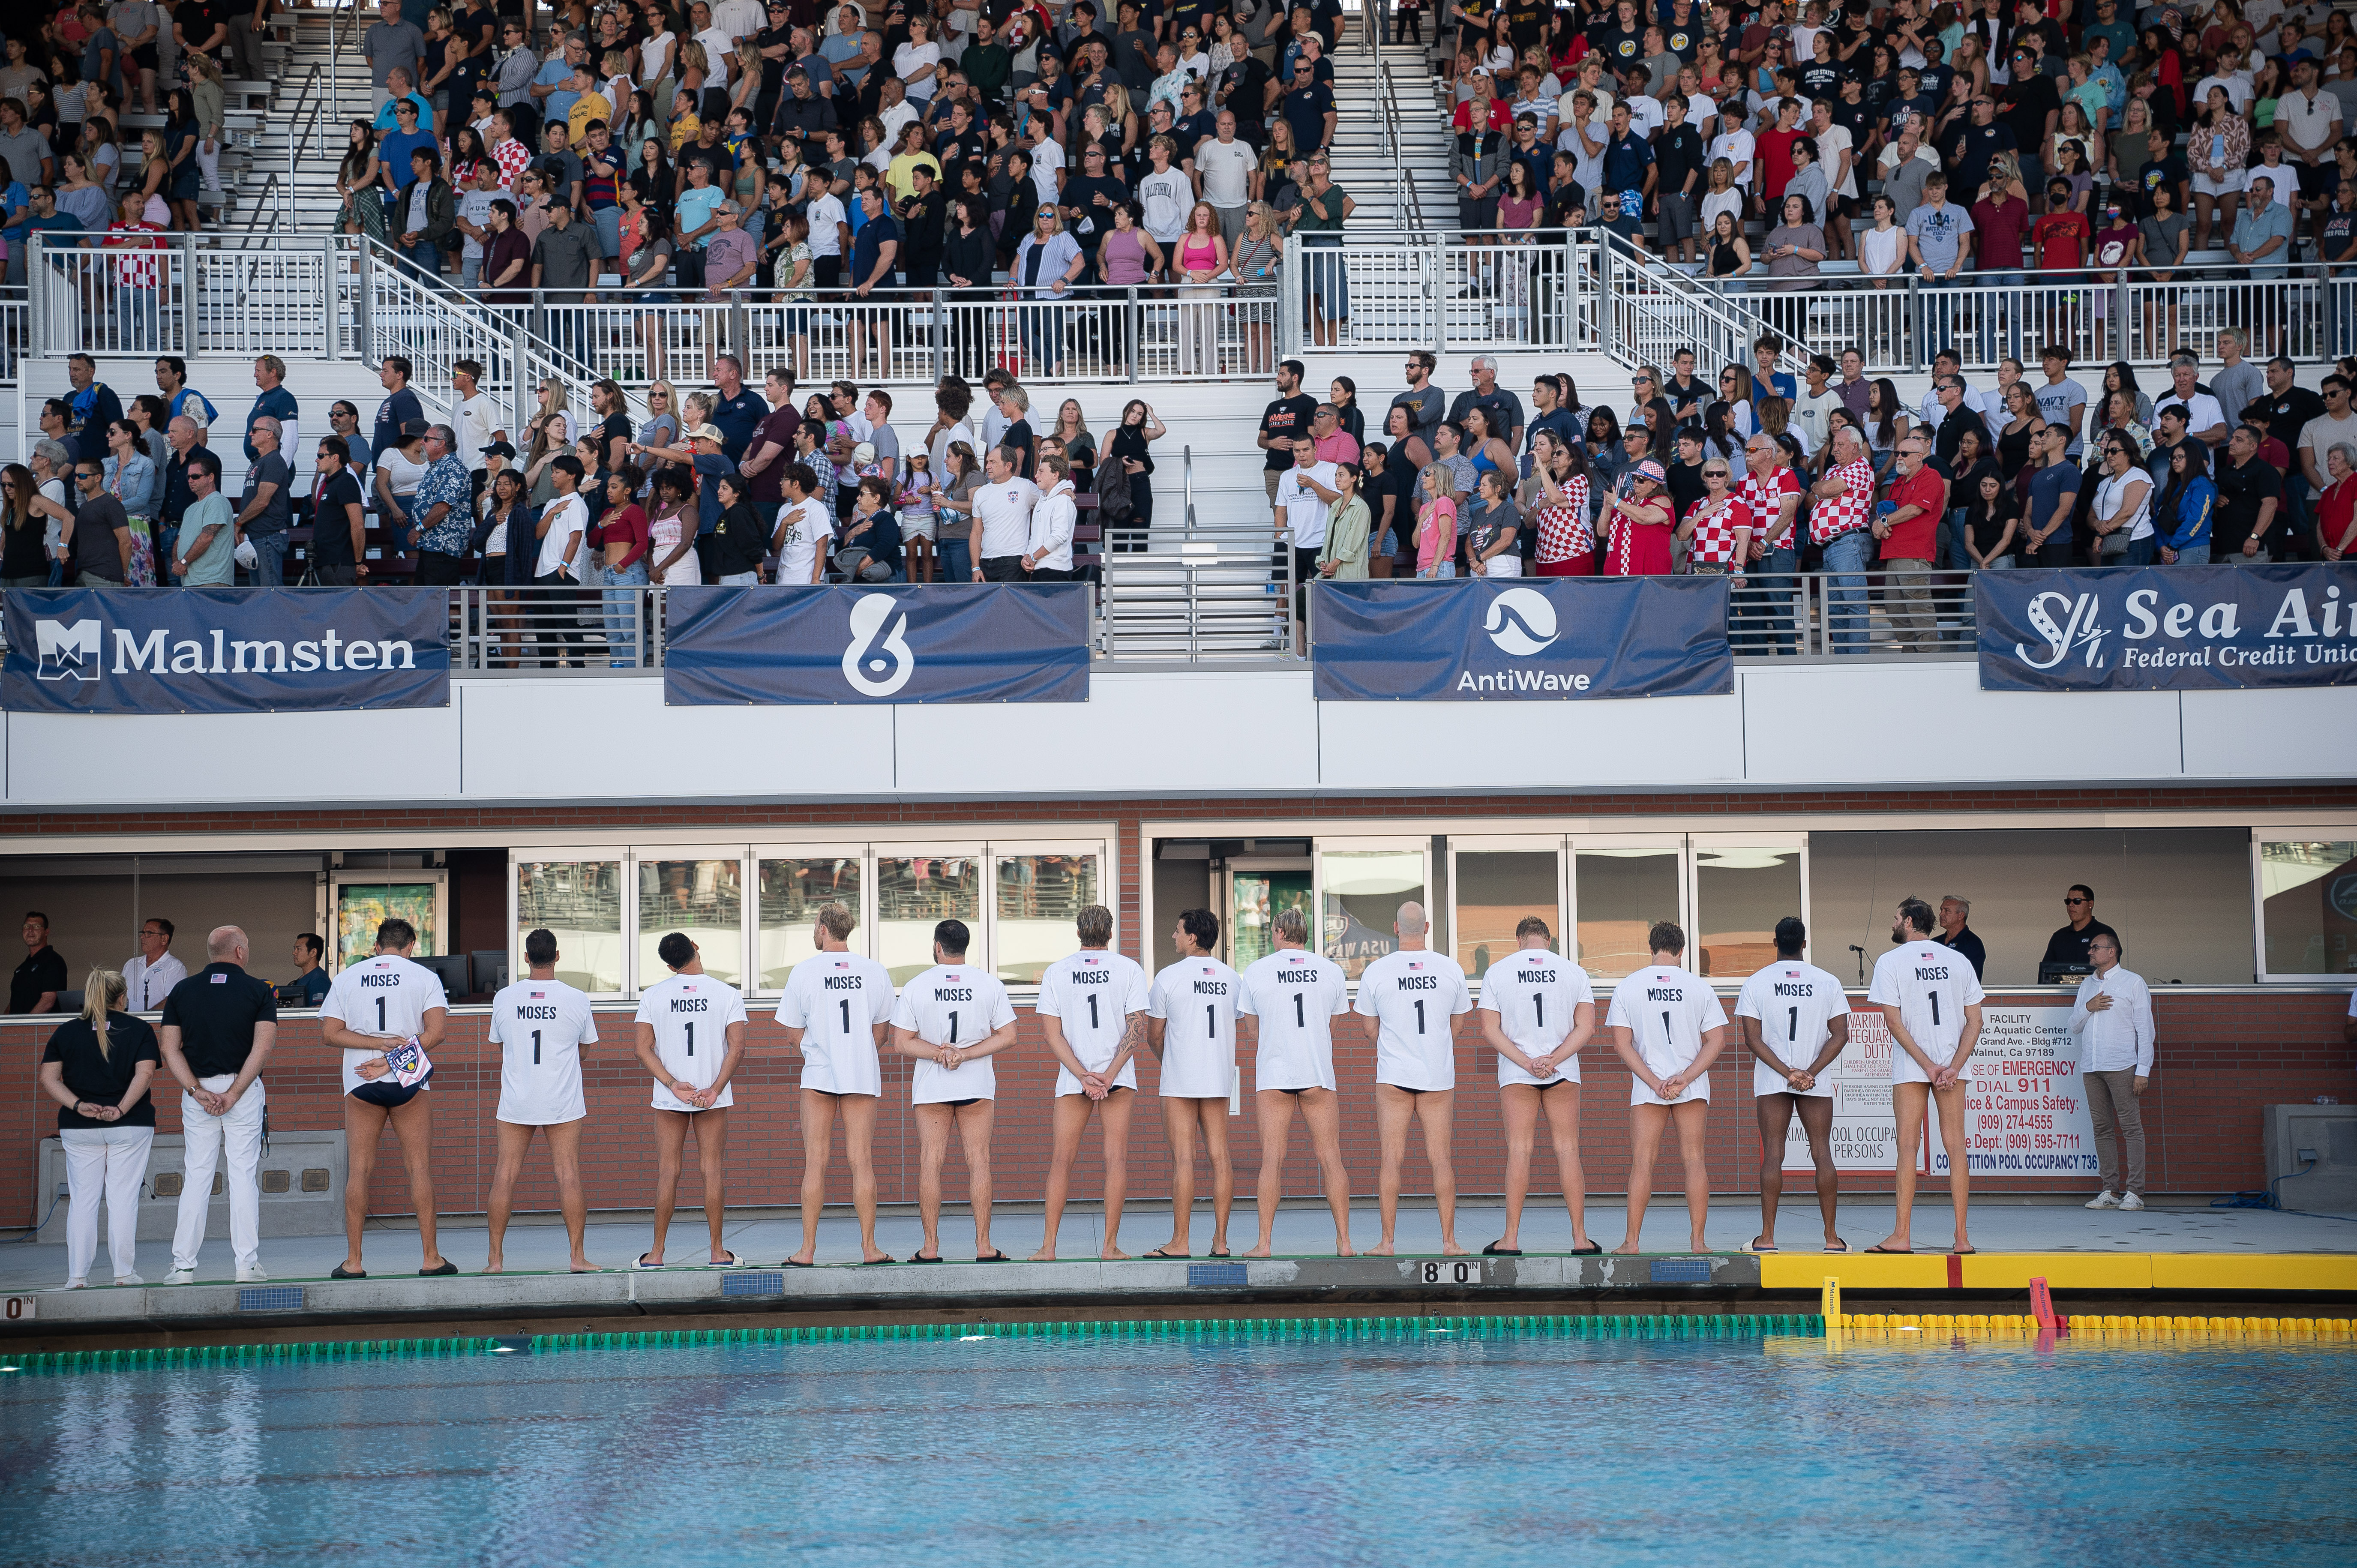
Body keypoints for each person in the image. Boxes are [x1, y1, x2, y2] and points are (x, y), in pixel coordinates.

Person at [317, 917, 453, 1278]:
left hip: (361, 1081)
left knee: (359, 1169)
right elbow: (437, 1033)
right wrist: (392, 1057)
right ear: (411, 947)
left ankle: (354, 1261)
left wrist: (376, 1046)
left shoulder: (347, 976)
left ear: (377, 946)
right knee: (419, 1168)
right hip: (408, 1081)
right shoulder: (424, 976)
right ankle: (431, 1258)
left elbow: (330, 1035)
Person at [775, 901, 897, 1266]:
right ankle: (870, 1248)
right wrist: (855, 1053)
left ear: (824, 928)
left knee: (816, 1162)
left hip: (819, 1076)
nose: (815, 933)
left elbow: (792, 1032)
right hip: (861, 1074)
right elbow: (883, 1032)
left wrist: (817, 1053)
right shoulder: (874, 971)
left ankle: (807, 1250)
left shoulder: (804, 971)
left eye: (815, 926)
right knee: (861, 1161)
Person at [154, 925, 277, 1286]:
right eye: (249, 945)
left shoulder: (182, 990)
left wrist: (195, 1090)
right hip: (242, 1088)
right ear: (239, 951)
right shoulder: (259, 990)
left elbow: (169, 1048)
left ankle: (183, 1266)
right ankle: (246, 1265)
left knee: (197, 1177)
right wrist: (236, 1092)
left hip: (199, 1092)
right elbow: (263, 1047)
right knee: (242, 1177)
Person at [892, 918, 1020, 1263]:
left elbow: (901, 1042)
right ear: (965, 947)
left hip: (932, 1086)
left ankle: (930, 1248)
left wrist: (940, 1054)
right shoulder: (988, 984)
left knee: (931, 1162)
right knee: (979, 1160)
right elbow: (1009, 1035)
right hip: (975, 1084)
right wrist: (965, 1054)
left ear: (937, 947)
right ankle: (983, 1245)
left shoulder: (917, 986)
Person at [1866, 897, 1988, 1256]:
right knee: (1957, 1147)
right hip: (1953, 1066)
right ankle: (1962, 1239)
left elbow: (1893, 1022)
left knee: (1907, 1147)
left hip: (1912, 1067)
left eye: (1895, 918)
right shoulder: (1959, 959)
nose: (1892, 924)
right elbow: (1975, 1021)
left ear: (1908, 921)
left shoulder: (1890, 961)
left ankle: (1901, 1236)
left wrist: (1928, 1066)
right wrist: (1951, 1066)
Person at [1352, 901, 1473, 1258]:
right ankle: (1449, 1242)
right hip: (1436, 1075)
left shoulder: (1377, 971)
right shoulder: (1450, 969)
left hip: (1394, 1076)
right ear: (1427, 927)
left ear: (1395, 927)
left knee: (1392, 1158)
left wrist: (1399, 1045)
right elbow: (1459, 1026)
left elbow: (1369, 1029)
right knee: (1441, 1158)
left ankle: (1387, 1243)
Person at [1031, 904, 1152, 1260]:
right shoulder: (1129, 969)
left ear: (1079, 932)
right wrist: (1110, 1074)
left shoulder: (1058, 971)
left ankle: (1049, 1247)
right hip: (1118, 1076)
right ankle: (1110, 1247)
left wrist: (1082, 1074)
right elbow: (1137, 1028)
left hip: (1074, 1077)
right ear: (1110, 933)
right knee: (1116, 1159)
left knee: (1061, 1161)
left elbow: (1052, 1034)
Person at [1236, 904, 1355, 1257]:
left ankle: (1265, 1243)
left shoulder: (1256, 971)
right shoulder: (1332, 972)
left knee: (1272, 1158)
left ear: (1278, 932)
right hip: (1317, 1072)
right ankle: (1345, 1242)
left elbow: (1254, 1032)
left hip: (1275, 1075)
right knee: (1331, 1156)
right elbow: (1330, 1029)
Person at [1477, 915, 1599, 1256]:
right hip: (1562, 1071)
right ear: (1549, 940)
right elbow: (1586, 1026)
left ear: (1520, 940)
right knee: (1568, 1150)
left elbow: (1490, 1029)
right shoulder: (1574, 971)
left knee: (1519, 1151)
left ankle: (1511, 1239)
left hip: (1518, 1074)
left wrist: (1528, 1062)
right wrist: (1554, 1058)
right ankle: (1580, 1239)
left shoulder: (1498, 972)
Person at [1606, 922, 1728, 1254]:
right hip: (1691, 1085)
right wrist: (1685, 1078)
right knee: (1695, 1159)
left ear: (1651, 947)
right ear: (1682, 951)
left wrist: (1655, 1082)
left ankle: (1632, 1242)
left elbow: (1621, 1043)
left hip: (1650, 1088)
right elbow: (1716, 1041)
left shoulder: (1629, 986)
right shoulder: (1699, 987)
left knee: (1643, 1161)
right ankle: (1699, 1242)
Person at [484, 927, 600, 1274]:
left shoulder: (504, 997)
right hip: (561, 1099)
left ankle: (495, 1261)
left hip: (517, 1100)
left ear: (526, 958)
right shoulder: (577, 998)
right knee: (569, 1175)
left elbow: (502, 1046)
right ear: (557, 957)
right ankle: (577, 1258)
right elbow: (585, 1049)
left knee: (504, 1175)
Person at [632, 931, 751, 1268]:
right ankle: (717, 1252)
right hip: (710, 1097)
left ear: (670, 965)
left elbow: (642, 1048)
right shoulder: (727, 994)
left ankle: (656, 1253)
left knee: (668, 1171)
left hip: (672, 1097)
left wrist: (671, 1084)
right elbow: (739, 1047)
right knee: (711, 1170)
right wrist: (714, 1089)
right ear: (696, 948)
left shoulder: (652, 996)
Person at [1734, 917, 1850, 1254]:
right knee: (1822, 1152)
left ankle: (1767, 1239)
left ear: (1775, 943)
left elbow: (1752, 1039)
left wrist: (1787, 1073)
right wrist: (1808, 1072)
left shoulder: (1756, 982)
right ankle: (1832, 1238)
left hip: (1773, 1078)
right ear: (1804, 944)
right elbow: (1841, 1034)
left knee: (1773, 1153)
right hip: (1815, 1078)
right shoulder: (1828, 981)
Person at [42, 968, 159, 1289]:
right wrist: (120, 1108)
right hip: (130, 1125)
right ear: (123, 997)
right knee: (123, 1199)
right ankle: (123, 1273)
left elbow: (49, 1078)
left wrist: (79, 1105)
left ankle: (77, 1276)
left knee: (83, 1201)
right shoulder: (140, 1029)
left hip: (79, 1127)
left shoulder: (66, 1032)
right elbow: (145, 1075)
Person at [1145, 908, 1245, 1260]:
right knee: (1220, 1155)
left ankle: (1180, 1242)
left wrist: (1170, 1059)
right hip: (1218, 1075)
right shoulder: (1233, 978)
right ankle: (1220, 1241)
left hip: (1181, 1077)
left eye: (1177, 931)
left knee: (1184, 1158)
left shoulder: (1168, 977)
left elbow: (1153, 1035)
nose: (1173, 936)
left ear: (1192, 937)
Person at [2072, 929, 2154, 1214]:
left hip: (2122, 1065)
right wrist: (2088, 1007)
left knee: (2131, 1128)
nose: (2090, 952)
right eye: (2091, 948)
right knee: (2102, 1128)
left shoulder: (2133, 982)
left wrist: (2142, 1070)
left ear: (2112, 951)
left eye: (2095, 947)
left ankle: (2136, 1192)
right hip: (2091, 1066)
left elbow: (2145, 1030)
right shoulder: (2087, 985)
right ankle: (2110, 1189)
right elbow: (2074, 1024)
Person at [2042, 883, 2121, 973]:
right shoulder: (2059, 936)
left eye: (2077, 901)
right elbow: (2046, 970)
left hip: (2097, 985)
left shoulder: (2105, 933)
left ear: (2090, 904)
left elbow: (2113, 969)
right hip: (2063, 987)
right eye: (2068, 902)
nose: (2071, 905)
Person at [121, 915, 185, 1012]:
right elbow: (118, 996)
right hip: (130, 1024)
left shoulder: (175, 967)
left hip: (157, 1024)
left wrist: (147, 1016)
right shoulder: (131, 964)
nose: (142, 937)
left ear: (164, 939)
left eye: (149, 933)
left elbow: (173, 1000)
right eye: (143, 933)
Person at [1936, 896, 1987, 979]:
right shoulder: (1935, 942)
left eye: (1947, 911)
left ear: (1961, 916)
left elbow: (1971, 979)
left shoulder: (1973, 943)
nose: (1941, 914)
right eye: (1942, 910)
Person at [286, 934, 333, 1005]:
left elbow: (317, 1011)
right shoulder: (305, 979)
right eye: (295, 949)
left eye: (299, 949)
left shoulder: (319, 980)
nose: (294, 953)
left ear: (313, 953)